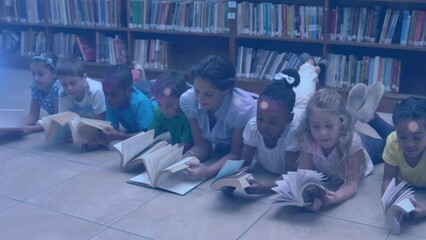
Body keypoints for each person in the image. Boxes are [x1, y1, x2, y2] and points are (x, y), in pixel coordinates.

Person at [180, 55, 256, 179]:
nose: (200, 99)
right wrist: (182, 161)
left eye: (208, 94)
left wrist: (208, 171)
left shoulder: (241, 110)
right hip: (221, 150)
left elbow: (235, 153)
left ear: (225, 89)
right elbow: (202, 146)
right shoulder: (188, 100)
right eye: (197, 91)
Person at [297, 88, 374, 211]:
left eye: (329, 126)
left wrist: (336, 197)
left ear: (341, 123)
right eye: (316, 126)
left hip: (363, 152)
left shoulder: (353, 142)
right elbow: (303, 176)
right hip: (342, 138)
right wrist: (307, 198)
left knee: (387, 140)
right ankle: (353, 112)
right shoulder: (308, 139)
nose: (322, 133)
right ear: (309, 125)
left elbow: (352, 183)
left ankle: (373, 118)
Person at [240, 69, 301, 194]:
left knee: (306, 90)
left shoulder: (293, 133)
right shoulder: (253, 127)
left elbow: (291, 175)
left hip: (303, 110)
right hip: (289, 109)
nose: (264, 126)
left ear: (288, 119)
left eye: (272, 122)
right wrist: (232, 180)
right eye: (260, 118)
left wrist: (265, 187)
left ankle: (312, 66)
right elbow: (244, 164)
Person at [382, 97, 426, 218]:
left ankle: (372, 118)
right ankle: (371, 118)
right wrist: (392, 201)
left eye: (417, 138)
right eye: (402, 137)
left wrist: (424, 211)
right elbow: (388, 181)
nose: (410, 144)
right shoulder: (393, 141)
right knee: (378, 143)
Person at [101, 64, 155, 141]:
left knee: (153, 88)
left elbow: (148, 135)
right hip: (133, 91)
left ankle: (138, 73)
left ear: (129, 91)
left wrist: (120, 136)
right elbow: (113, 130)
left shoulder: (141, 104)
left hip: (153, 100)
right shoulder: (111, 101)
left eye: (114, 94)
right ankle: (137, 74)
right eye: (105, 93)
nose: (108, 98)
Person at [149, 71, 193, 152]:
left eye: (169, 105)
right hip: (176, 146)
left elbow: (187, 144)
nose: (164, 110)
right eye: (159, 104)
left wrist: (166, 153)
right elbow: (150, 134)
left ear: (182, 98)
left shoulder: (188, 114)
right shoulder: (159, 112)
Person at [21, 52, 61, 135]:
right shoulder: (35, 87)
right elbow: (32, 115)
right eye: (33, 74)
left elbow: (57, 120)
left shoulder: (58, 88)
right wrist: (20, 126)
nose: (36, 78)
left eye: (41, 74)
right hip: (55, 118)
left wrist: (31, 129)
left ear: (54, 74)